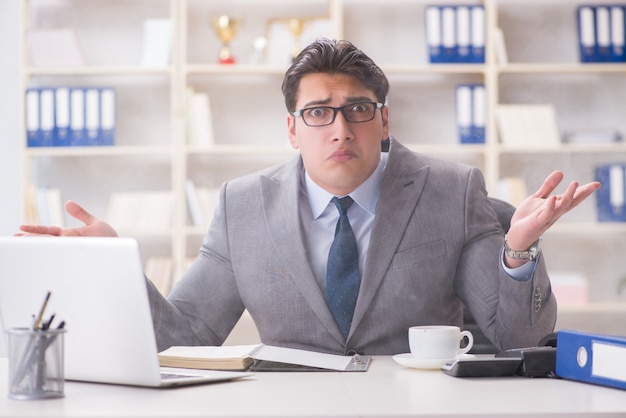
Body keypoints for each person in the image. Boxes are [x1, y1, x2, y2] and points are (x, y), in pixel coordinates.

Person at [18, 38, 600, 356]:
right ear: (293, 129)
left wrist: (518, 250)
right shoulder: (240, 205)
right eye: (319, 114)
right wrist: (114, 268)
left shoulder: (452, 191)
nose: (340, 129)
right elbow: (188, 335)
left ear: (384, 120)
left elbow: (516, 340)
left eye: (358, 110)